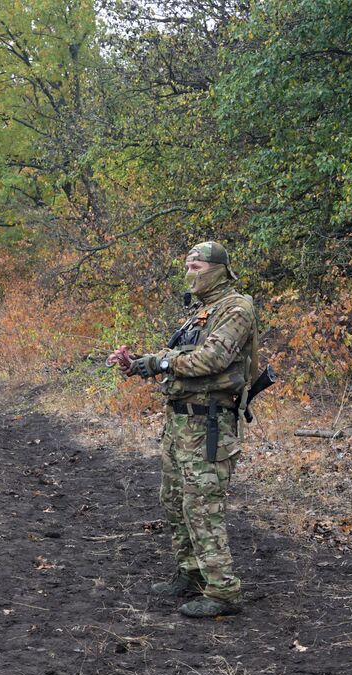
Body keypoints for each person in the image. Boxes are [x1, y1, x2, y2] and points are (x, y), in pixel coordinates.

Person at [108, 241, 258, 618]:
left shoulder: (236, 308)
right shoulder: (200, 312)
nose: (190, 273)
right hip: (179, 423)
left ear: (218, 270)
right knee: (174, 500)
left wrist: (162, 362)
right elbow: (177, 359)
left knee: (202, 506)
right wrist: (137, 364)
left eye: (197, 266)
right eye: (188, 266)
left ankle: (223, 590)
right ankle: (190, 573)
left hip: (209, 424)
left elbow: (213, 359)